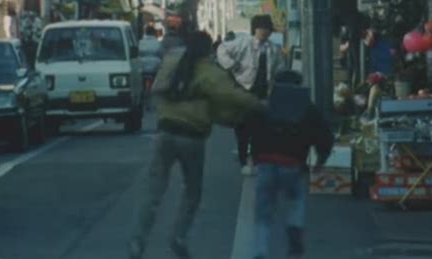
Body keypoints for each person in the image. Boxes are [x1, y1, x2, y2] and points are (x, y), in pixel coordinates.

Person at [128, 31, 264, 259]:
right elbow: (231, 97)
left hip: (165, 132)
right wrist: (259, 104)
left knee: (153, 192)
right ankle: (178, 237)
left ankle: (137, 241)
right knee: (192, 192)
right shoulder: (209, 72)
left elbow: (156, 89)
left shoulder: (171, 61)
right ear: (208, 50)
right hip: (192, 138)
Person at [246, 70, 334, 259]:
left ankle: (259, 250)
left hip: (266, 161)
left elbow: (250, 129)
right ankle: (294, 236)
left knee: (263, 208)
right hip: (293, 163)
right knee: (295, 201)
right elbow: (323, 134)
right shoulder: (307, 108)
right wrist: (321, 158)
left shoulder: (266, 105)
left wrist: (252, 156)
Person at [217, 14, 285, 175]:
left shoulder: (273, 49)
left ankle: (255, 159)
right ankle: (243, 160)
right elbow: (222, 49)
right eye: (262, 29)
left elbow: (280, 68)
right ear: (255, 29)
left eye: (268, 29)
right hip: (243, 89)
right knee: (242, 128)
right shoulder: (243, 43)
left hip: (263, 93)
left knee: (259, 129)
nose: (265, 32)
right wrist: (231, 65)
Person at [138, 25, 163, 110]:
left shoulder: (140, 42)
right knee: (154, 84)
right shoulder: (157, 43)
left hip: (142, 66)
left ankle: (143, 97)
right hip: (155, 67)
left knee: (142, 84)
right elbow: (161, 54)